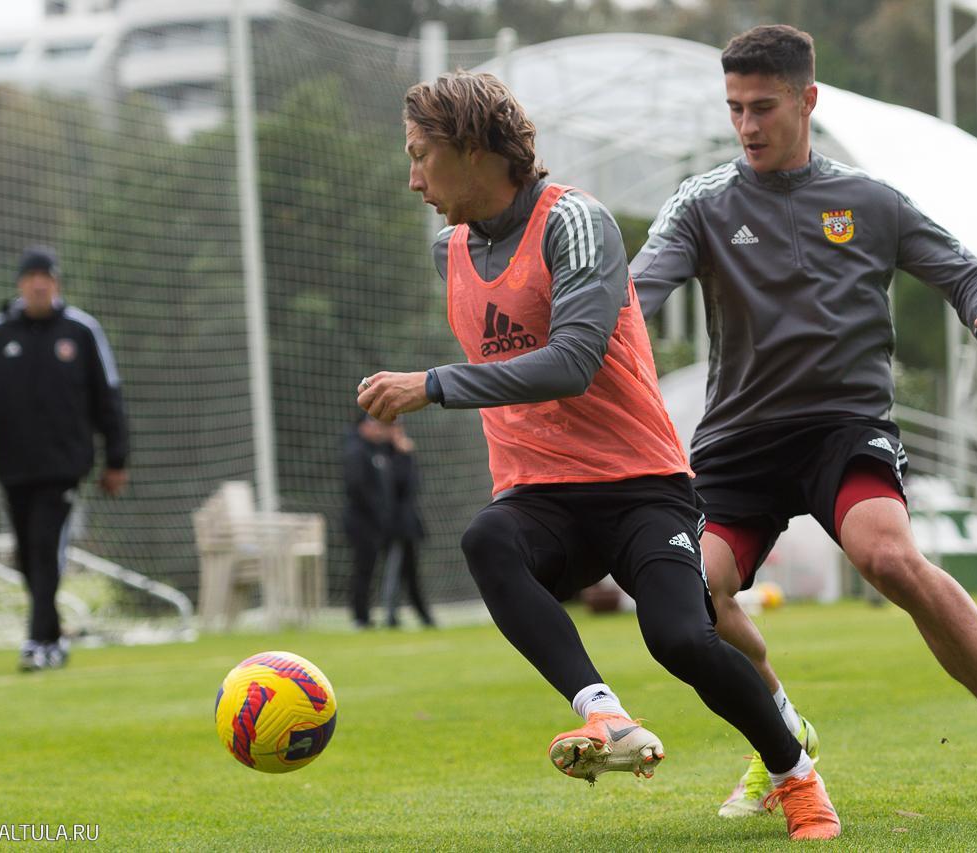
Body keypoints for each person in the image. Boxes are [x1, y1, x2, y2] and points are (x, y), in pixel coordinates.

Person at [630, 24, 977, 815]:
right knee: (691, 596)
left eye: (763, 107)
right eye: (735, 108)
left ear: (807, 100)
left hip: (843, 427)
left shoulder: (871, 201)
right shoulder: (702, 205)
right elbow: (636, 295)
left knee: (888, 556)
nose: (746, 125)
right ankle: (784, 735)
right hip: (739, 442)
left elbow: (962, 273)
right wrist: (594, 337)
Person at [358, 70, 841, 840]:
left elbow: (572, 360)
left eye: (421, 156)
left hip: (640, 486)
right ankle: (604, 714)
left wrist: (434, 384)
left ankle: (795, 774)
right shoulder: (448, 250)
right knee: (487, 538)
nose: (413, 178)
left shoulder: (575, 221)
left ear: (474, 149)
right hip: (540, 496)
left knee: (680, 638)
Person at [0, 245, 128, 671]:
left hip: (64, 466)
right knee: (28, 555)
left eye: (47, 278)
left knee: (46, 547)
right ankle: (53, 637)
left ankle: (37, 642)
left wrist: (116, 458)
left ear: (56, 284)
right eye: (32, 278)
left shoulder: (82, 332)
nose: (39, 285)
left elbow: (109, 398)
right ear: (21, 284)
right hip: (14, 466)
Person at [342, 414, 434, 629]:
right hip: (370, 523)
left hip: (394, 524)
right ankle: (363, 617)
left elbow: (408, 487)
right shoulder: (359, 451)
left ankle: (410, 616)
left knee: (404, 571)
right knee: (367, 570)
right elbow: (358, 488)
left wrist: (406, 456)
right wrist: (380, 514)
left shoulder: (387, 452)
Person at [380, 424, 435, 628]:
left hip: (407, 526)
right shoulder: (382, 456)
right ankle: (390, 616)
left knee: (411, 573)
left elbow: (412, 487)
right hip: (392, 527)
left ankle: (424, 616)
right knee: (393, 572)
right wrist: (403, 456)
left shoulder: (403, 456)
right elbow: (395, 486)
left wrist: (407, 456)